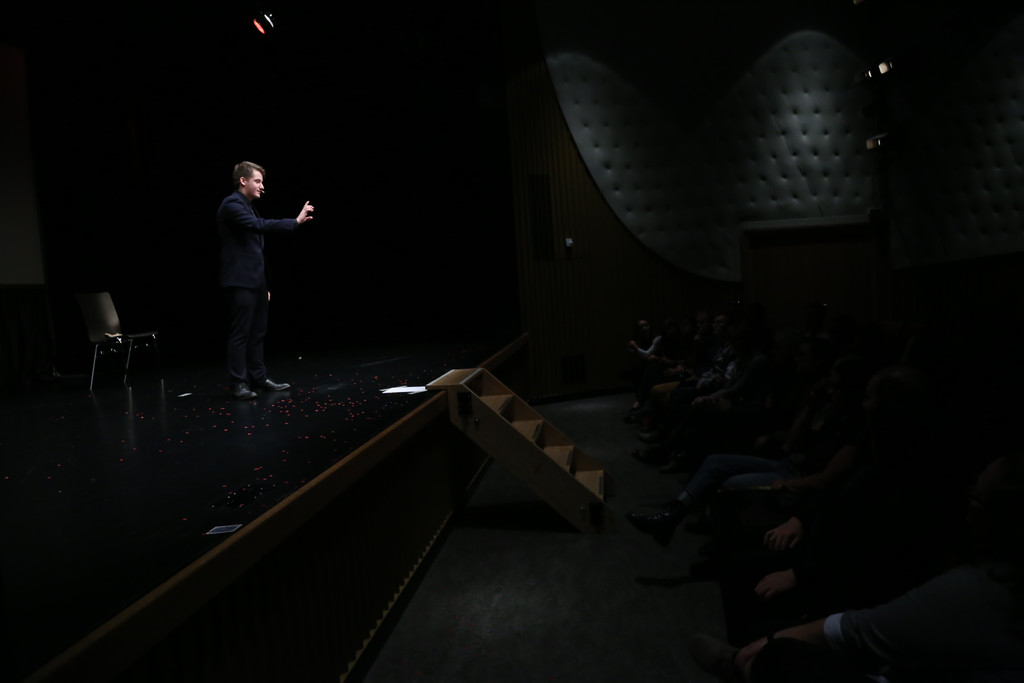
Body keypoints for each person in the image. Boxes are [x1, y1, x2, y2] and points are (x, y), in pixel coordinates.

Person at [690, 454, 1024, 683]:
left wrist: (770, 641)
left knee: (781, 654)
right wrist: (800, 519)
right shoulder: (871, 457)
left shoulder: (987, 588)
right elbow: (832, 494)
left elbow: (862, 627)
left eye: (975, 495)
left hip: (849, 584)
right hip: (823, 552)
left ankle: (742, 662)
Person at [217, 161, 314, 400]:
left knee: (258, 332)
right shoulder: (231, 205)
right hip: (240, 280)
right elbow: (259, 227)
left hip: (256, 281)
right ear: (243, 181)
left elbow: (255, 250)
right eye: (258, 181)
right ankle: (239, 383)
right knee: (241, 333)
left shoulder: (249, 207)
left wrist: (265, 285)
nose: (262, 186)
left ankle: (258, 377)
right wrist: (294, 222)